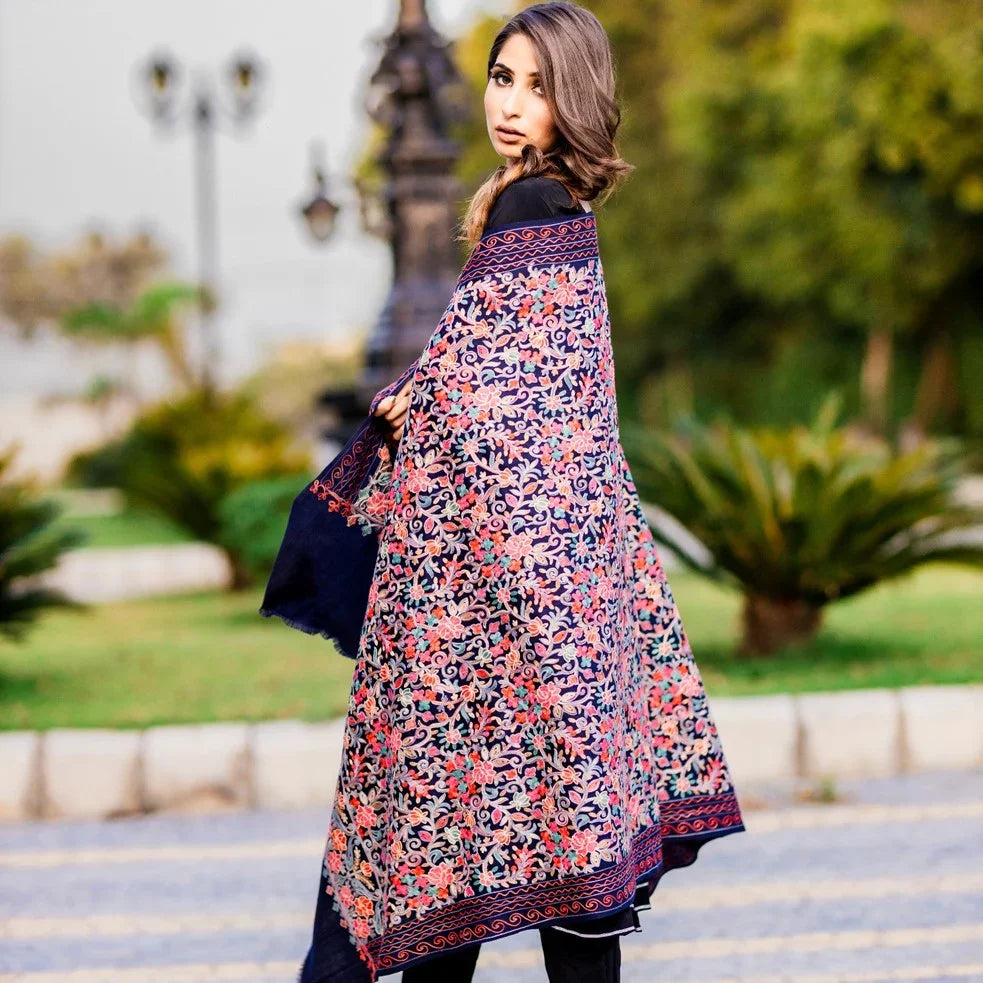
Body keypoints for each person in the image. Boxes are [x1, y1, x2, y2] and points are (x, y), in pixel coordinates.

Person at [264, 4, 747, 982]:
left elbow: (497, 401)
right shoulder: (560, 208)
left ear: (576, 98)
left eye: (537, 85)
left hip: (501, 606)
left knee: (450, 853)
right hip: (569, 598)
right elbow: (523, 391)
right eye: (499, 78)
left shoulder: (531, 206)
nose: (511, 103)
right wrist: (433, 392)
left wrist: (414, 404)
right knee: (573, 870)